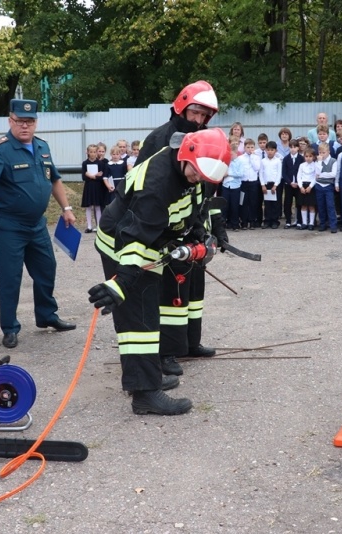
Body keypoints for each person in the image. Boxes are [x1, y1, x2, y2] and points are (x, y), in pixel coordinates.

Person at [88, 128, 231, 416]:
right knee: (138, 317)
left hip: (151, 242)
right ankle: (144, 394)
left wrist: (199, 236)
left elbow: (195, 206)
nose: (199, 179)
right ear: (186, 154)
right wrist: (122, 282)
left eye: (206, 177)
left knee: (149, 310)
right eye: (197, 173)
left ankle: (148, 375)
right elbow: (136, 238)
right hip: (124, 245)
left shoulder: (199, 170)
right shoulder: (157, 183)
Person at [0, 99, 77, 349]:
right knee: (10, 276)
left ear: (35, 122)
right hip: (9, 225)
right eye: (19, 121)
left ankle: (46, 315)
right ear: (10, 121)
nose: (24, 126)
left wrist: (66, 208)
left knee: (47, 268)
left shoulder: (42, 147)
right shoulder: (0, 148)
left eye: (30, 121)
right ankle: (10, 328)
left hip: (36, 224)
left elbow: (55, 180)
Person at [132, 80, 223, 377]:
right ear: (182, 105)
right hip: (167, 229)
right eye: (195, 113)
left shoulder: (205, 139)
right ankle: (167, 352)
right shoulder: (160, 139)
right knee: (170, 293)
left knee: (194, 291)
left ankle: (189, 342)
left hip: (193, 225)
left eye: (204, 116)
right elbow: (145, 189)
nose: (198, 120)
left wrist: (213, 225)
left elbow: (208, 186)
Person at [81, 144, 109, 232]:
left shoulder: (100, 163)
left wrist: (90, 175)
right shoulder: (85, 163)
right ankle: (89, 226)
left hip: (97, 187)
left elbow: (101, 177)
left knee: (97, 206)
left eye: (94, 152)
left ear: (97, 152)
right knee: (88, 206)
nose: (92, 154)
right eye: (91, 152)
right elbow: (83, 177)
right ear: (88, 152)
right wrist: (95, 175)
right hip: (88, 187)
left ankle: (98, 226)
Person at [315, 142, 338, 232]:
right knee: (321, 206)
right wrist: (320, 162)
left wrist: (321, 175)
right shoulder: (318, 161)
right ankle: (322, 224)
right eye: (320, 152)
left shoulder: (333, 161)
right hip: (319, 186)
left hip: (328, 186)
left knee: (330, 206)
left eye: (323, 152)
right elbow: (317, 173)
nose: (321, 154)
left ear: (328, 151)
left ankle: (333, 225)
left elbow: (333, 174)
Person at [281, 137, 304, 228]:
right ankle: (288, 221)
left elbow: (303, 171)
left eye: (294, 147)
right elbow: (284, 173)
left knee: (299, 203)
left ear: (298, 148)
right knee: (287, 203)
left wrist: (299, 182)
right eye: (291, 147)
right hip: (289, 184)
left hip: (299, 185)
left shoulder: (301, 158)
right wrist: (290, 182)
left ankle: (299, 220)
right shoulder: (286, 159)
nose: (293, 149)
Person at [260, 141, 282, 229]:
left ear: (275, 151)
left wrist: (275, 185)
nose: (270, 152)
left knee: (275, 203)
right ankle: (267, 220)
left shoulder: (278, 161)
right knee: (267, 203)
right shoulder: (263, 161)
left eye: (272, 150)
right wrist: (262, 185)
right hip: (266, 184)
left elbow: (279, 174)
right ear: (265, 150)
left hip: (275, 184)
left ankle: (275, 221)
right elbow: (261, 173)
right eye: (268, 150)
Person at [295, 147, 318, 230]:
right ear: (304, 157)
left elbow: (315, 177)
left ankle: (311, 223)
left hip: (311, 187)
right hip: (302, 186)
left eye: (310, 156)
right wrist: (300, 186)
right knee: (303, 206)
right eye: (306, 156)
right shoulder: (301, 165)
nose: (308, 158)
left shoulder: (315, 165)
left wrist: (310, 186)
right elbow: (299, 176)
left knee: (311, 206)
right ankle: (304, 223)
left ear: (314, 157)